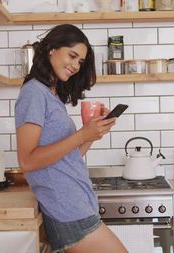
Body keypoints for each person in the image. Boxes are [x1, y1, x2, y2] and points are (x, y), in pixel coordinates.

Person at [15, 24, 128, 253]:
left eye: (80, 62)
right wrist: (82, 134)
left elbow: (67, 158)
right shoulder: (33, 92)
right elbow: (27, 161)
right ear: (51, 49)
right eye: (73, 56)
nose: (76, 66)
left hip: (77, 207)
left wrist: (92, 134)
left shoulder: (50, 95)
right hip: (67, 211)